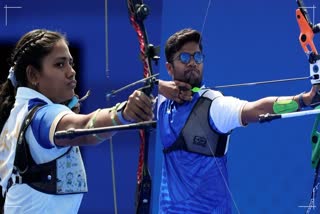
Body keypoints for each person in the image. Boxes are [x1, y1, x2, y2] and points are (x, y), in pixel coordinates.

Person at [157, 28, 318, 213]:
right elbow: (130, 99)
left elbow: (257, 108)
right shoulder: (162, 103)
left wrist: (304, 99)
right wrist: (158, 86)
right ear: (169, 68)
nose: (193, 63)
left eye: (198, 57)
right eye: (185, 58)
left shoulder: (213, 105)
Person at [0, 29, 154, 213]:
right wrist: (123, 113)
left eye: (70, 64)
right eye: (59, 65)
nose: (71, 72)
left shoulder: (19, 112)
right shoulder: (43, 115)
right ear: (33, 75)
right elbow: (82, 127)